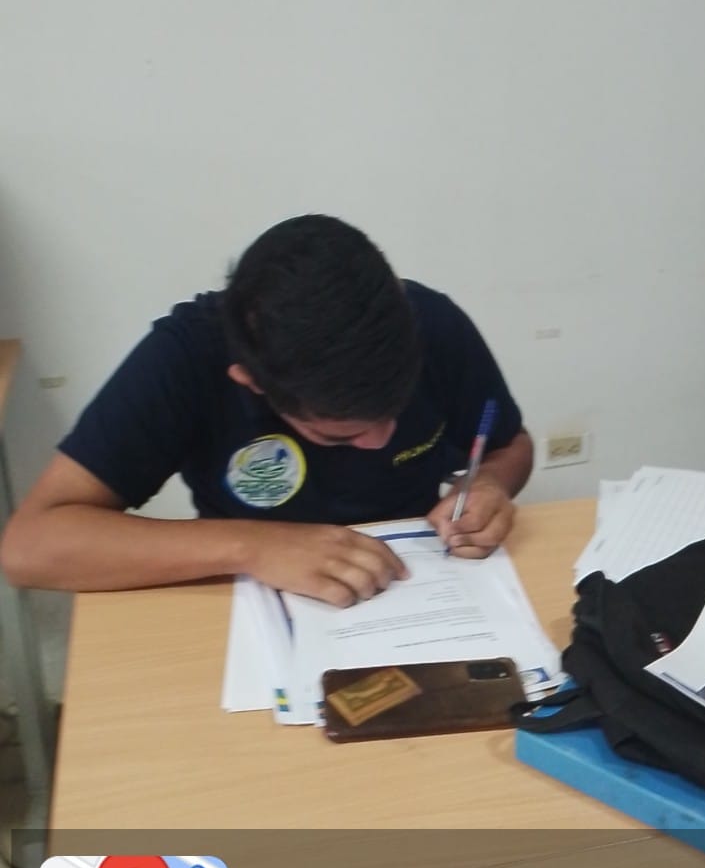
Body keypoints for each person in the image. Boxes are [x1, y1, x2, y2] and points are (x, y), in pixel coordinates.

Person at [0, 216, 533, 606]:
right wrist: (250, 546)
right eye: (340, 436)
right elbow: (28, 547)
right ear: (251, 382)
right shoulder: (186, 357)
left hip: (419, 585)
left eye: (392, 413)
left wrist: (490, 484)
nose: (379, 440)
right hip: (248, 600)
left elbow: (510, 445)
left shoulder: (431, 323)